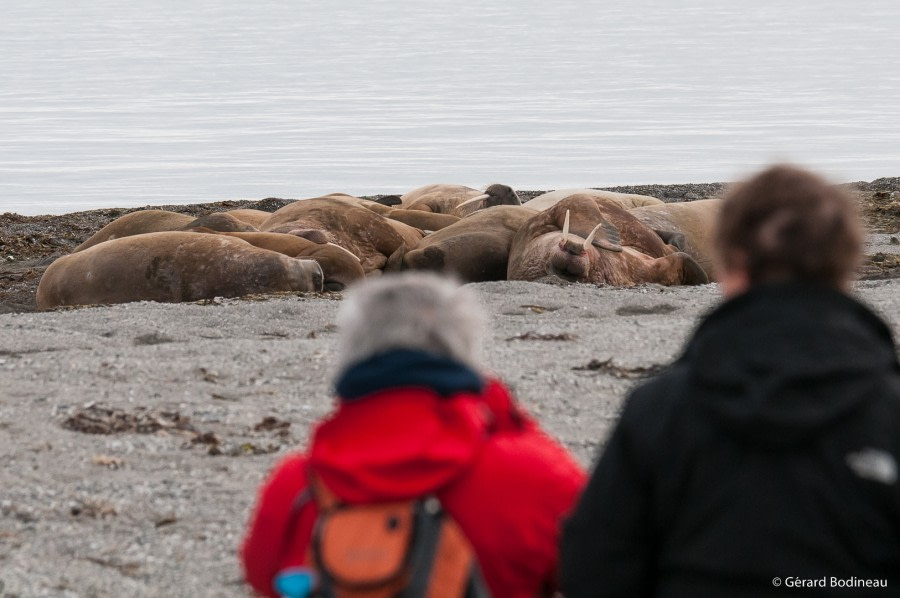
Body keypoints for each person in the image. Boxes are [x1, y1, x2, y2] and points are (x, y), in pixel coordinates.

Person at [560, 165, 900, 597]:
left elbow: (592, 569)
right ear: (846, 266)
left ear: (730, 263)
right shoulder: (890, 413)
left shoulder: (660, 411)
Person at [242, 272, 586, 597]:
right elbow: (599, 572)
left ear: (352, 352)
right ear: (465, 349)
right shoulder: (534, 473)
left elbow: (261, 575)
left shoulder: (296, 484)